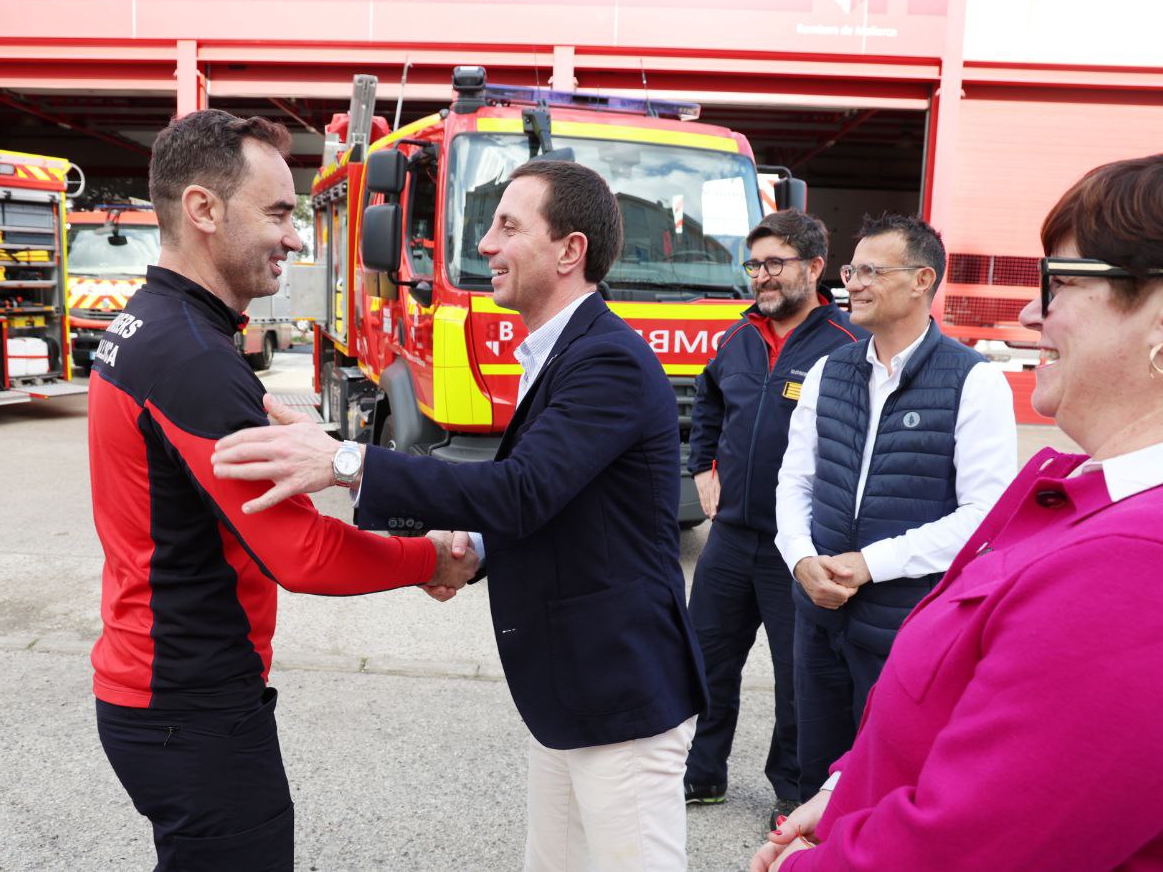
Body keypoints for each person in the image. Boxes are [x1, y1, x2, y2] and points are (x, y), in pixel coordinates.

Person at [213, 159, 708, 870]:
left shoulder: (609, 361)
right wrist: (473, 548)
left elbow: (523, 490)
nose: (486, 245)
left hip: (620, 694)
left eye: (508, 226)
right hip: (574, 692)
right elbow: (558, 502)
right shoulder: (562, 351)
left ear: (570, 251)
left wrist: (347, 461)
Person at [753, 150, 1163, 870]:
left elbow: (968, 847)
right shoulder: (1100, 492)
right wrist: (846, 791)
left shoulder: (1153, 566)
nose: (1030, 311)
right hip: (823, 613)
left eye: (1057, 282)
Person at [88, 109, 475, 871]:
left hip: (154, 691)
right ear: (203, 209)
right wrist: (430, 558)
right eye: (277, 213)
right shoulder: (192, 359)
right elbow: (299, 551)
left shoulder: (150, 324)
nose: (296, 238)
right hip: (191, 710)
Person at [774, 213, 1018, 800]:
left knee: (885, 781)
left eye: (870, 271)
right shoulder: (829, 371)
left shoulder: (974, 381)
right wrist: (802, 559)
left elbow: (985, 516)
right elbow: (794, 481)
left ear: (921, 280)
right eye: (851, 270)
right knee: (816, 774)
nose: (850, 283)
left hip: (907, 625)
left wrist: (869, 564)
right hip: (818, 613)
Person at [684, 210, 861, 826]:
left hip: (801, 548)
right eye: (754, 264)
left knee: (799, 679)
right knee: (703, 660)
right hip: (730, 539)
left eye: (774, 263)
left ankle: (794, 792)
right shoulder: (737, 339)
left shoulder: (848, 347)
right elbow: (707, 398)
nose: (761, 276)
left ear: (813, 267)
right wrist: (703, 464)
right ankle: (699, 775)